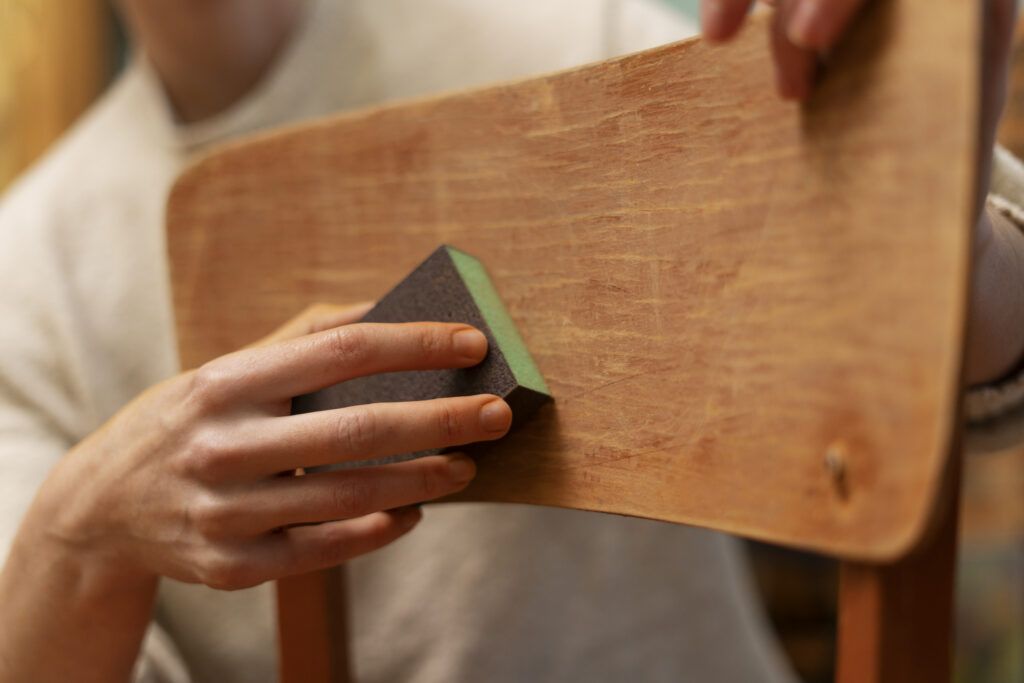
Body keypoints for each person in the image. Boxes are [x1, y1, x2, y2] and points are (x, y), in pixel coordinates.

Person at [0, 1, 1019, 681]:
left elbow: (992, 372)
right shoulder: (30, 273)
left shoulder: (578, 32)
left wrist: (940, 234)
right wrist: (76, 536)